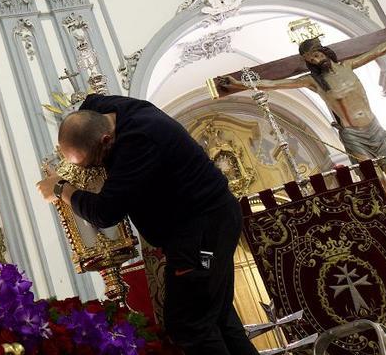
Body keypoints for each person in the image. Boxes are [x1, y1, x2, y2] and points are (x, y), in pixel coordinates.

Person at [36, 94, 258, 355]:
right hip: (211, 226)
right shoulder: (104, 111)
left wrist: (62, 188)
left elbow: (106, 212)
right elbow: (89, 103)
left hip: (202, 240)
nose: (92, 170)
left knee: (189, 325)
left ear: (106, 140)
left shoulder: (140, 142)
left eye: (92, 163)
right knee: (217, 315)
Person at [219, 34, 386, 203]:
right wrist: (239, 84)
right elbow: (274, 84)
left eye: (316, 55)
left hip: (374, 128)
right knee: (376, 181)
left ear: (324, 51)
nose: (315, 60)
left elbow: (377, 50)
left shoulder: (348, 65)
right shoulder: (313, 81)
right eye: (311, 59)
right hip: (354, 136)